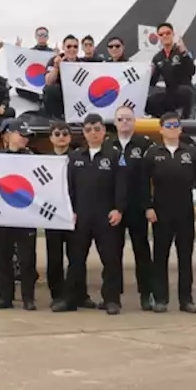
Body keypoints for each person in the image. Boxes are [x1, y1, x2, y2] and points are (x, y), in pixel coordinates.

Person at [58, 113, 126, 315]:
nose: (93, 133)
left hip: (106, 216)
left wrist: (118, 208)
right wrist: (70, 210)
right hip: (81, 216)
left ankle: (111, 300)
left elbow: (122, 184)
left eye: (97, 129)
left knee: (111, 260)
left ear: (104, 131)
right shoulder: (75, 157)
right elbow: (67, 187)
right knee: (76, 260)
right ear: (84, 133)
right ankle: (71, 299)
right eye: (88, 130)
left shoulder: (114, 155)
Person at [144, 111, 196, 313]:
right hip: (161, 211)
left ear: (180, 128)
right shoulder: (153, 153)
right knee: (160, 256)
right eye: (167, 125)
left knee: (185, 257)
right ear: (160, 129)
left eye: (175, 125)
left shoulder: (191, 152)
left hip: (185, 210)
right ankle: (161, 299)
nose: (171, 129)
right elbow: (143, 182)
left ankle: (186, 300)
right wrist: (148, 206)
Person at [111, 105, 155, 311]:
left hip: (137, 207)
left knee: (142, 252)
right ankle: (113, 296)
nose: (124, 123)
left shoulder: (144, 145)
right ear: (115, 123)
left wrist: (148, 205)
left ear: (135, 121)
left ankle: (146, 295)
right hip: (115, 209)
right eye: (120, 119)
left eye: (128, 119)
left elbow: (149, 178)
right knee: (113, 253)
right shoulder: (108, 145)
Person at [0, 120, 38, 311]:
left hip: (26, 214)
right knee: (3, 257)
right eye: (22, 135)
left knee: (27, 259)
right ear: (7, 135)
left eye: (27, 136)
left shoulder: (33, 158)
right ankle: (5, 297)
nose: (25, 139)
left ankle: (28, 297)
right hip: (4, 214)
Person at [43, 120, 72, 308]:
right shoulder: (43, 161)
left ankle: (77, 293)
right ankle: (56, 294)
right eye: (57, 134)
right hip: (52, 214)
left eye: (64, 133)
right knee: (54, 257)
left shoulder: (78, 158)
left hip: (73, 214)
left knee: (76, 257)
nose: (61, 137)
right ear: (51, 138)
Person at [147, 23, 196, 118]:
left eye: (167, 33)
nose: (165, 36)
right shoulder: (157, 57)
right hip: (170, 92)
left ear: (173, 34)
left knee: (185, 91)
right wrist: (151, 73)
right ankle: (168, 119)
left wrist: (184, 54)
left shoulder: (181, 51)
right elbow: (153, 82)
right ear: (158, 37)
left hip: (186, 91)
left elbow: (192, 71)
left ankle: (185, 119)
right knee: (149, 102)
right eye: (161, 34)